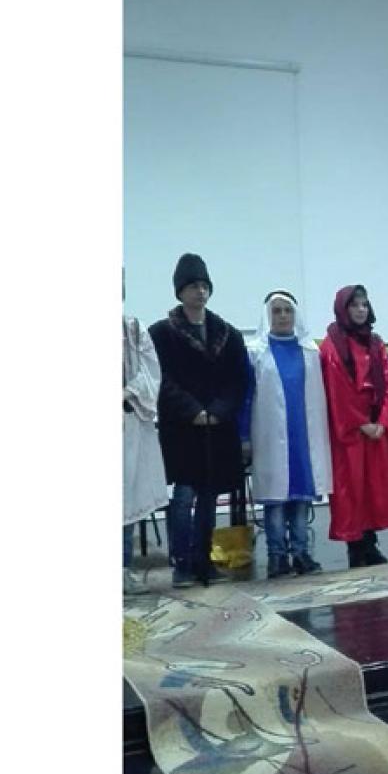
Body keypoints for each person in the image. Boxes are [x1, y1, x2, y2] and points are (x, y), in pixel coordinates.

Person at [149, 253, 248, 588]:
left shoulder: (227, 334)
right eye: (193, 286)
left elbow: (238, 381)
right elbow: (160, 379)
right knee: (183, 496)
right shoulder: (161, 334)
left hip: (217, 429)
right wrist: (192, 410)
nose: (200, 292)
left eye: (204, 286)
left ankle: (204, 561)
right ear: (180, 291)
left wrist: (218, 410)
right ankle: (182, 563)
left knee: (209, 495)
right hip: (182, 428)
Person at [243, 290, 331, 578]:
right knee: (276, 499)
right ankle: (277, 556)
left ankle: (302, 553)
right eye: (276, 311)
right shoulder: (255, 352)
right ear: (267, 315)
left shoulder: (310, 353)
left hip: (303, 436)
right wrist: (244, 436)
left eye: (287, 310)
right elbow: (246, 397)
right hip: (269, 436)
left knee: (301, 498)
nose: (282, 316)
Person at [320, 284, 388, 567]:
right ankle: (355, 547)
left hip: (376, 427)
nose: (360, 310)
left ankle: (370, 543)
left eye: (364, 305)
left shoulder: (376, 342)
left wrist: (383, 421)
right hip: (351, 432)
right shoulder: (332, 345)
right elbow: (337, 389)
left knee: (374, 488)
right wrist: (360, 423)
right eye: (355, 305)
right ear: (344, 309)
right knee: (352, 489)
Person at [123, 269, 169, 595]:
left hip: (128, 424)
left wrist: (126, 392)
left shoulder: (133, 329)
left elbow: (151, 373)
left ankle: (122, 569)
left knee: (125, 501)